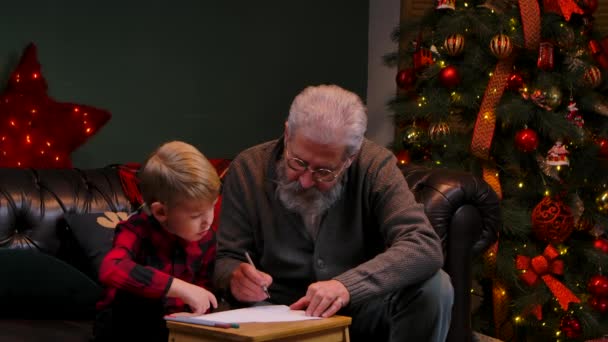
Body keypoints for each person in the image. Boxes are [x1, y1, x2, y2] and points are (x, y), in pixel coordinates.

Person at [213, 84, 454, 341]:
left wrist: (346, 286)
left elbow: (423, 245)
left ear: (350, 158)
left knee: (435, 286)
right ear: (287, 134)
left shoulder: (374, 165)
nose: (306, 180)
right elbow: (226, 257)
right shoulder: (248, 169)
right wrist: (235, 278)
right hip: (277, 311)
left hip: (359, 309)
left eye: (324, 172)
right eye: (298, 162)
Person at [94, 141, 221, 342]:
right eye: (196, 215)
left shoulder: (206, 238)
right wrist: (178, 287)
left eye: (212, 207)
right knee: (136, 300)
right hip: (126, 326)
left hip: (177, 327)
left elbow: (204, 288)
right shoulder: (136, 230)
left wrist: (197, 314)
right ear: (161, 211)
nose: (208, 221)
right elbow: (111, 268)